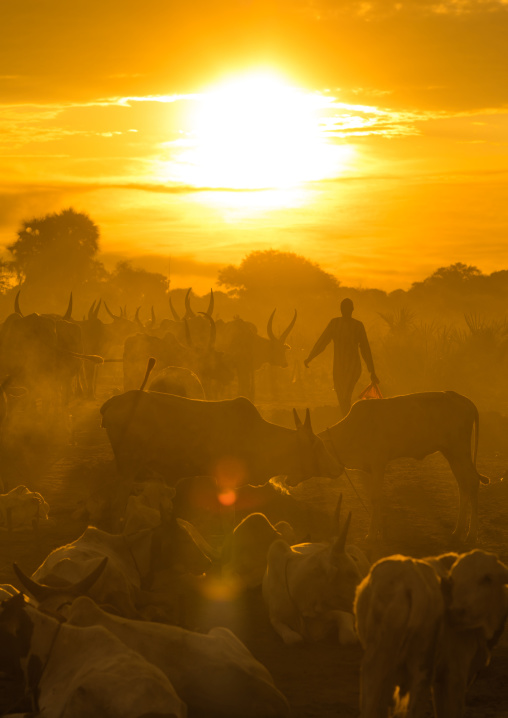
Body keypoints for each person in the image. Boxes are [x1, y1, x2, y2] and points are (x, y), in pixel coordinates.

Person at [304, 297, 379, 416]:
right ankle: (347, 419)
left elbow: (365, 349)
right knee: (341, 396)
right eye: (344, 308)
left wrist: (372, 371)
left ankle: (347, 421)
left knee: (345, 395)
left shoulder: (356, 326)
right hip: (339, 368)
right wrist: (310, 357)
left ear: (352, 309)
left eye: (347, 308)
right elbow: (322, 342)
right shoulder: (335, 323)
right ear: (342, 309)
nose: (346, 310)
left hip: (353, 368)